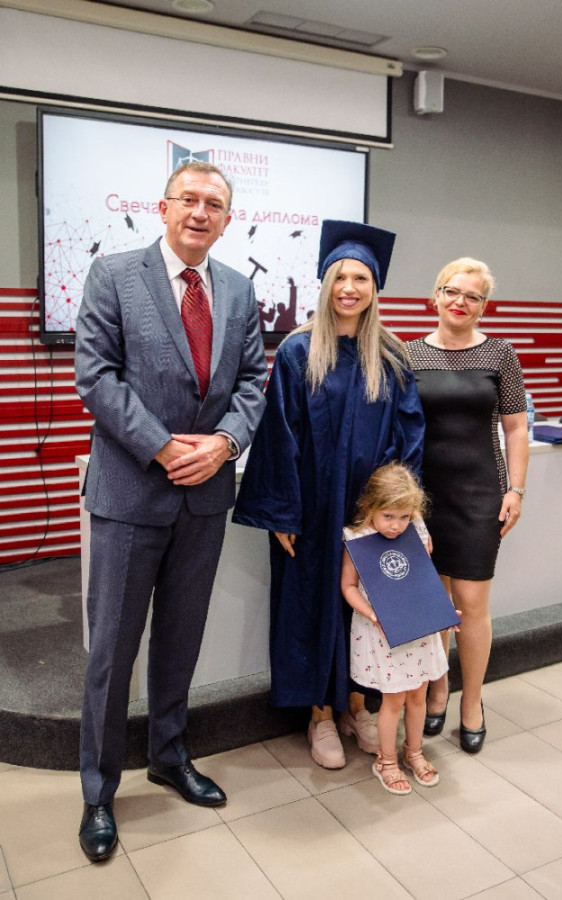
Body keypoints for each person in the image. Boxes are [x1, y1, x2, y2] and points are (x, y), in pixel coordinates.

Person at [74, 161, 267, 861]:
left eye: (214, 204)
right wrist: (161, 447)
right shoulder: (113, 274)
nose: (200, 212)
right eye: (189, 198)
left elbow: (253, 380)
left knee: (181, 640)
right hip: (131, 493)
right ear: (163, 207)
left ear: (227, 219)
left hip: (205, 497)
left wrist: (225, 444)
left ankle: (168, 754)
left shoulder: (239, 289)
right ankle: (99, 791)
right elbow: (96, 375)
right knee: (112, 650)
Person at [233, 220, 425, 769]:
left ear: (374, 287)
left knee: (365, 609)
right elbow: (279, 435)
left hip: (370, 514)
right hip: (311, 510)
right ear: (325, 283)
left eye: (360, 278)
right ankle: (319, 715)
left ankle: (357, 706)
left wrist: (393, 513)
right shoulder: (298, 352)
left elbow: (409, 436)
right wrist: (282, 514)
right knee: (311, 604)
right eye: (340, 277)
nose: (349, 287)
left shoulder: (390, 356)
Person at [407, 258, 529, 753]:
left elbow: (515, 428)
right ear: (435, 296)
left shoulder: (501, 353)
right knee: (435, 603)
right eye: (452, 291)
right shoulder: (409, 353)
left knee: (472, 605)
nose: (460, 302)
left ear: (484, 306)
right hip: (422, 497)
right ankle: (438, 690)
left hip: (480, 496)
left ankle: (472, 701)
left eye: (472, 296)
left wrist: (516, 490)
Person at [341, 462, 448, 794]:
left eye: (404, 517)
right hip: (382, 633)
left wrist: (442, 611)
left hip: (417, 629)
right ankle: (386, 761)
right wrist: (373, 615)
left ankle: (414, 752)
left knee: (418, 695)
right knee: (393, 699)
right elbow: (348, 587)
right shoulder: (358, 538)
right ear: (370, 506)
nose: (396, 525)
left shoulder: (415, 532)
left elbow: (422, 578)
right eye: (388, 516)